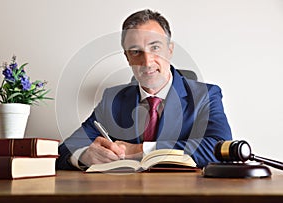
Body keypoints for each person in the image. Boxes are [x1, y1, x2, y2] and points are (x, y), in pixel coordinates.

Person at [56, 9, 232, 170]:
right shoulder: (113, 99)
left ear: (170, 50)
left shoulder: (206, 95)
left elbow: (222, 149)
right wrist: (83, 156)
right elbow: (64, 150)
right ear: (127, 58)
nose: (147, 62)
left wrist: (142, 149)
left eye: (155, 48)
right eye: (135, 51)